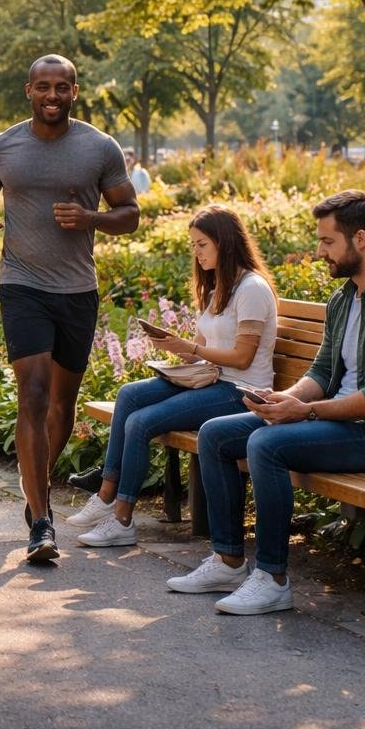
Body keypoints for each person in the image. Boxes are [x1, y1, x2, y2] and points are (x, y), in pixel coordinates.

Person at [173, 191, 365, 615]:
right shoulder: (345, 298)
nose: (319, 252)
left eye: (326, 241)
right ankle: (228, 561)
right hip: (342, 424)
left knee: (266, 445)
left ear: (360, 240)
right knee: (216, 434)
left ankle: (272, 578)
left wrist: (306, 411)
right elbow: (321, 372)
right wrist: (285, 398)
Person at [0, 54, 140, 564]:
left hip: (77, 290)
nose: (53, 96)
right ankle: (42, 521)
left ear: (75, 93)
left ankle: (34, 489)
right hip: (22, 285)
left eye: (62, 87)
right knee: (33, 395)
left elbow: (130, 214)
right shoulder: (2, 146)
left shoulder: (98, 147)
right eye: (44, 87)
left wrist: (91, 217)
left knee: (62, 404)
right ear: (29, 91)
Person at [67, 205, 278, 548]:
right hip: (211, 379)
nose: (195, 253)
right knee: (129, 395)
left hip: (239, 390)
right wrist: (175, 347)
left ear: (225, 243)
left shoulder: (251, 288)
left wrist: (192, 350)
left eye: (202, 245)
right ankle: (106, 494)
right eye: (193, 245)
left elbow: (242, 357)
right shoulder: (218, 288)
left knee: (141, 421)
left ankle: (121, 519)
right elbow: (204, 348)